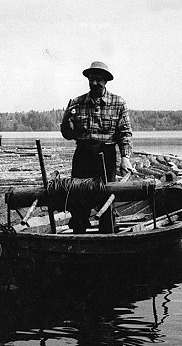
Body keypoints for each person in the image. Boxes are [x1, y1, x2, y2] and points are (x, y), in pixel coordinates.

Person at [60, 61, 135, 233]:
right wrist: (65, 120)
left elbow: (125, 133)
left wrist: (125, 157)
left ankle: (108, 236)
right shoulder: (77, 103)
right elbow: (68, 135)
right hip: (82, 156)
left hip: (106, 156)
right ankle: (78, 238)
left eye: (98, 80)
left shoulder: (118, 103)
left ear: (106, 81)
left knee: (107, 197)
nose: (94, 83)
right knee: (78, 198)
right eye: (91, 79)